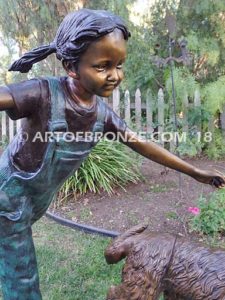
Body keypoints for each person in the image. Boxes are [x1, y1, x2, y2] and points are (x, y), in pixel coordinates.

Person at [0, 8, 224, 300]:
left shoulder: (101, 115)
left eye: (120, 65)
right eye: (103, 66)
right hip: (8, 197)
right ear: (71, 65)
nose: (115, 75)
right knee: (22, 278)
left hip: (32, 201)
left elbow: (141, 143)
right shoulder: (41, 93)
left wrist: (196, 172)